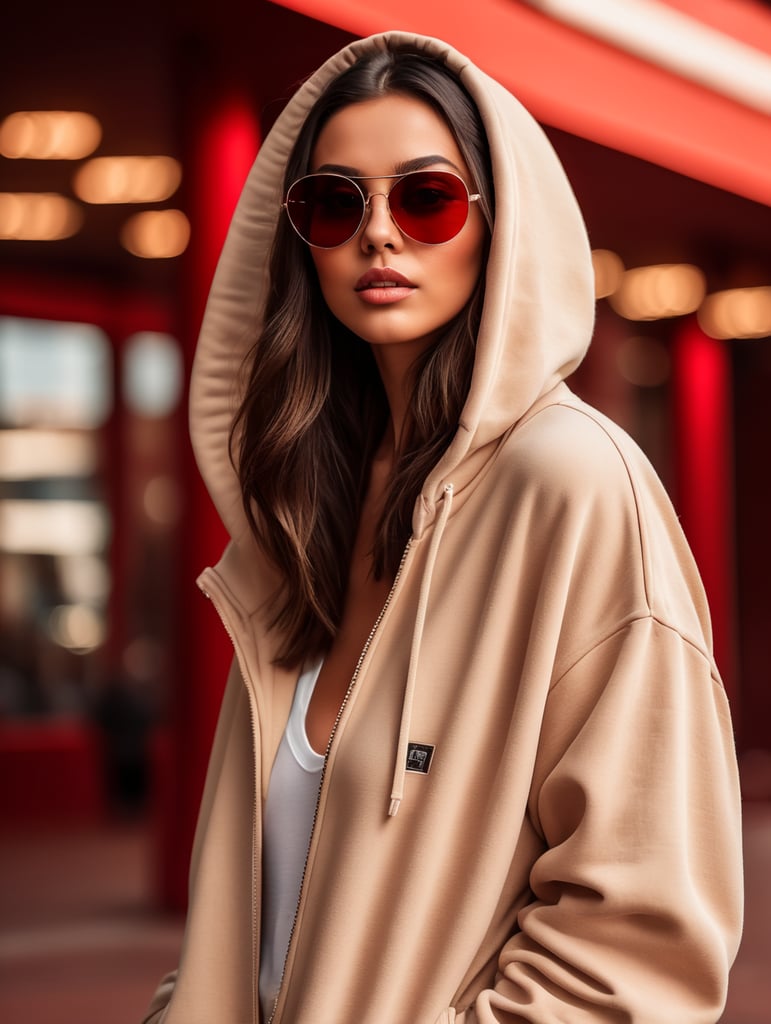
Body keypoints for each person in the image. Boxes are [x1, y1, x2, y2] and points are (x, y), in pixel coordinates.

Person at [143, 31, 743, 1024]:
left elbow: (637, 939)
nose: (379, 236)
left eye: (427, 198)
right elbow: (251, 929)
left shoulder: (575, 484)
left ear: (497, 226)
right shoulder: (306, 512)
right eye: (336, 204)